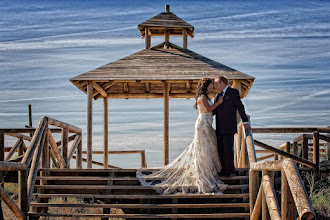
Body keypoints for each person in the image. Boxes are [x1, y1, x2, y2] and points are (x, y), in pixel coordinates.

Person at [137, 78, 227, 194]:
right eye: (209, 87)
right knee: (203, 149)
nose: (211, 89)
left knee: (208, 149)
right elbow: (207, 109)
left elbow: (210, 111)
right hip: (203, 125)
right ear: (204, 88)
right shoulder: (202, 97)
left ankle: (207, 171)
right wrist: (219, 103)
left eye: (211, 87)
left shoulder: (207, 97)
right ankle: (203, 175)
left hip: (207, 124)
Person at [213, 76, 251, 177]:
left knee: (228, 149)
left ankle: (230, 170)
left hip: (229, 126)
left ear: (222, 83)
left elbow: (240, 106)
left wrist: (245, 122)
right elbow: (214, 111)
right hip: (219, 127)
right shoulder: (217, 96)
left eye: (216, 84)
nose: (215, 86)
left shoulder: (233, 92)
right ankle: (223, 169)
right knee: (220, 149)